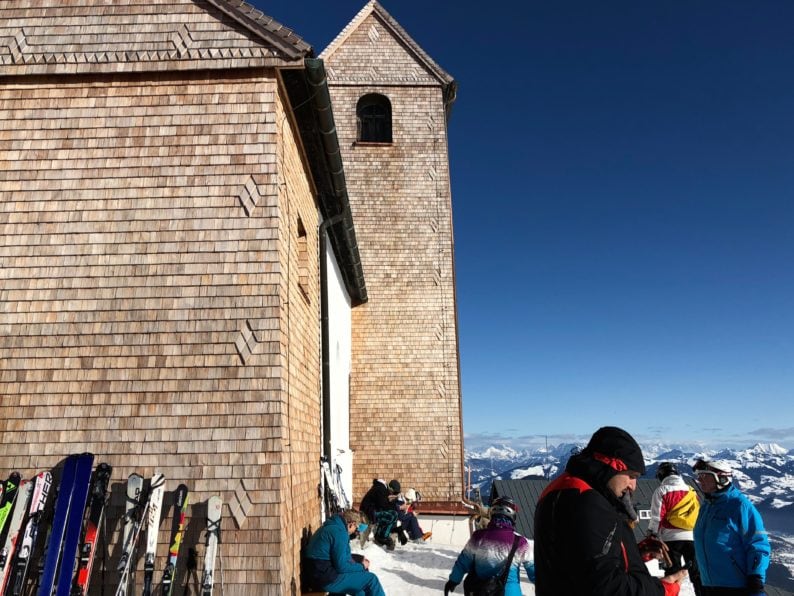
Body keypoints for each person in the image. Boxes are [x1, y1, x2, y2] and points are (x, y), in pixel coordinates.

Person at [533, 426, 688, 595]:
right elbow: (607, 587)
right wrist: (662, 590)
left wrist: (634, 553)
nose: (633, 485)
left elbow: (580, 560)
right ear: (611, 466)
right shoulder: (588, 502)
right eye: (631, 475)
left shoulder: (565, 489)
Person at [692, 458, 771, 596]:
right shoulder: (707, 505)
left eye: (705, 476)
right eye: (699, 475)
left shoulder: (740, 505)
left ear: (722, 479)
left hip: (735, 585)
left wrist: (756, 577)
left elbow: (758, 544)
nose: (700, 480)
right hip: (708, 584)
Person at [444, 496, 535, 596]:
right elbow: (533, 571)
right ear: (512, 516)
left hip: (479, 591)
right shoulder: (520, 542)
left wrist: (453, 580)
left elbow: (463, 561)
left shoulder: (478, 536)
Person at [302, 509, 385, 596]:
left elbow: (341, 557)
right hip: (324, 578)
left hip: (319, 574)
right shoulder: (339, 533)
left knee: (359, 590)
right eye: (356, 528)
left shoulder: (335, 527)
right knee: (371, 579)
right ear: (351, 523)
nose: (355, 531)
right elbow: (341, 567)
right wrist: (362, 566)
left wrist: (358, 562)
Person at [649, 462, 703, 595]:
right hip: (692, 536)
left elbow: (657, 516)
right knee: (697, 573)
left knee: (672, 573)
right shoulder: (691, 490)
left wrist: (652, 534)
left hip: (671, 538)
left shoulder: (662, 490)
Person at [358, 479, 400, 549]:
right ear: (390, 488)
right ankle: (381, 536)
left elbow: (384, 505)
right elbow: (383, 505)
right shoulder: (380, 489)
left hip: (372, 511)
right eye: (394, 492)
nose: (393, 494)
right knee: (392, 515)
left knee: (393, 514)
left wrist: (393, 503)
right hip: (368, 513)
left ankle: (383, 535)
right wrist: (394, 502)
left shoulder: (382, 489)